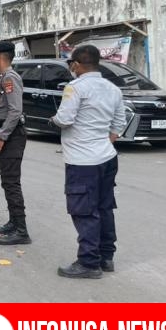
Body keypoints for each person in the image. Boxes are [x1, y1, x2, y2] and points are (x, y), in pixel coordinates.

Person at [50, 45, 126, 279]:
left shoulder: (75, 88)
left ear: (77, 64)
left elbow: (65, 119)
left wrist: (53, 119)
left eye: (71, 64)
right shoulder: (113, 89)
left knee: (84, 211)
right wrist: (102, 142)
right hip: (106, 157)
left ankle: (89, 263)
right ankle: (106, 257)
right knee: (104, 207)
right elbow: (118, 125)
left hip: (83, 161)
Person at [0, 42, 31, 245]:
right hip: (6, 132)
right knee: (7, 180)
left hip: (12, 135)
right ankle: (14, 223)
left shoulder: (10, 78)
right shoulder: (1, 78)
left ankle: (21, 231)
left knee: (11, 182)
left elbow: (15, 111)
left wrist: (1, 136)